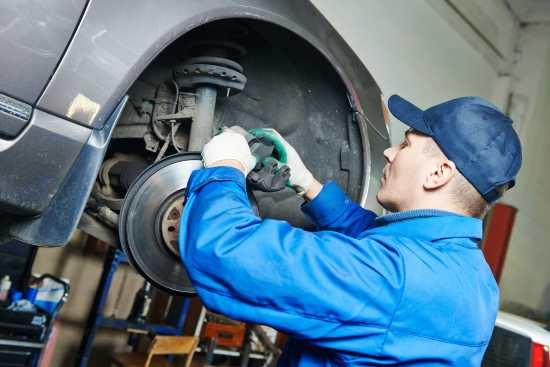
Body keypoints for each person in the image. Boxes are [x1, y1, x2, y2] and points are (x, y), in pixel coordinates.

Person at [178, 95, 522, 366]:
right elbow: (376, 240)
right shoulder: (474, 279)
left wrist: (225, 167)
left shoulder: (392, 277)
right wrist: (306, 183)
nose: (389, 152)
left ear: (438, 173)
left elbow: (225, 251)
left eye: (405, 145)